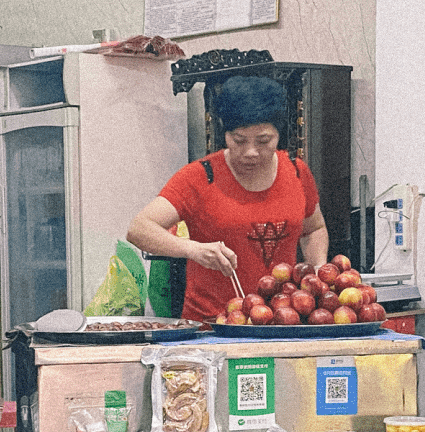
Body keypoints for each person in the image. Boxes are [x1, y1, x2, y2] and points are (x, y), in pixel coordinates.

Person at [127, 76, 329, 321]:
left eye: (264, 140)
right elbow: (139, 229)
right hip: (213, 325)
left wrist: (318, 272)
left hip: (282, 322)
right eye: (239, 140)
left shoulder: (296, 171)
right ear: (224, 132)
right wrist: (193, 250)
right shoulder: (200, 176)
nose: (251, 152)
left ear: (280, 134)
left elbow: (314, 228)